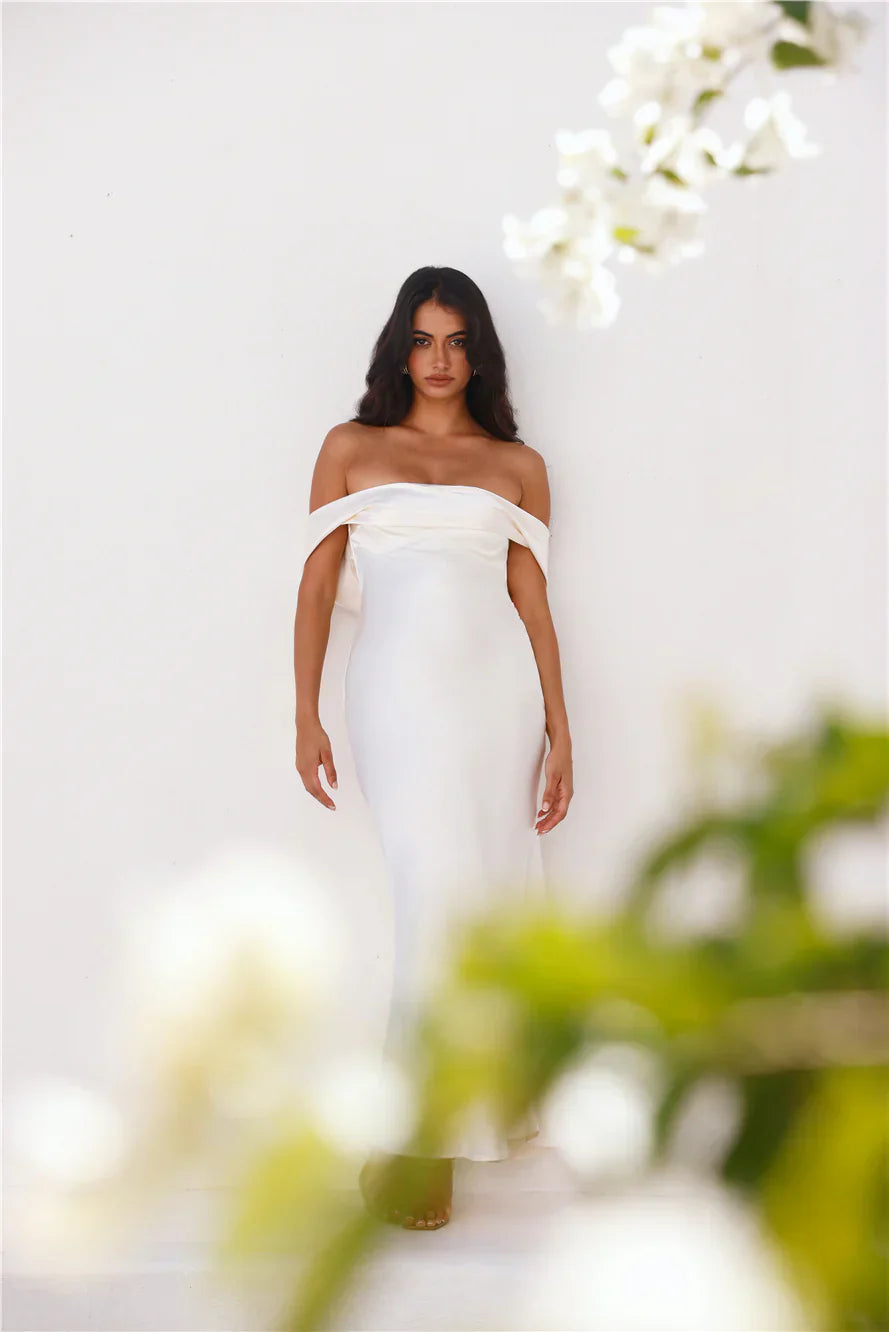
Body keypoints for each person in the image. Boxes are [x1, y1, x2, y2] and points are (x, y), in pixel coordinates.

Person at [293, 266, 573, 1230]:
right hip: (396, 699)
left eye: (456, 341)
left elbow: (531, 600)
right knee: (433, 900)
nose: (440, 359)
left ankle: (425, 1143)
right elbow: (317, 590)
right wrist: (306, 714)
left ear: (478, 352)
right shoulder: (351, 448)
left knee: (478, 906)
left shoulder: (517, 464)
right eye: (422, 340)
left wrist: (560, 726)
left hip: (498, 704)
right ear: (398, 351)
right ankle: (414, 1135)